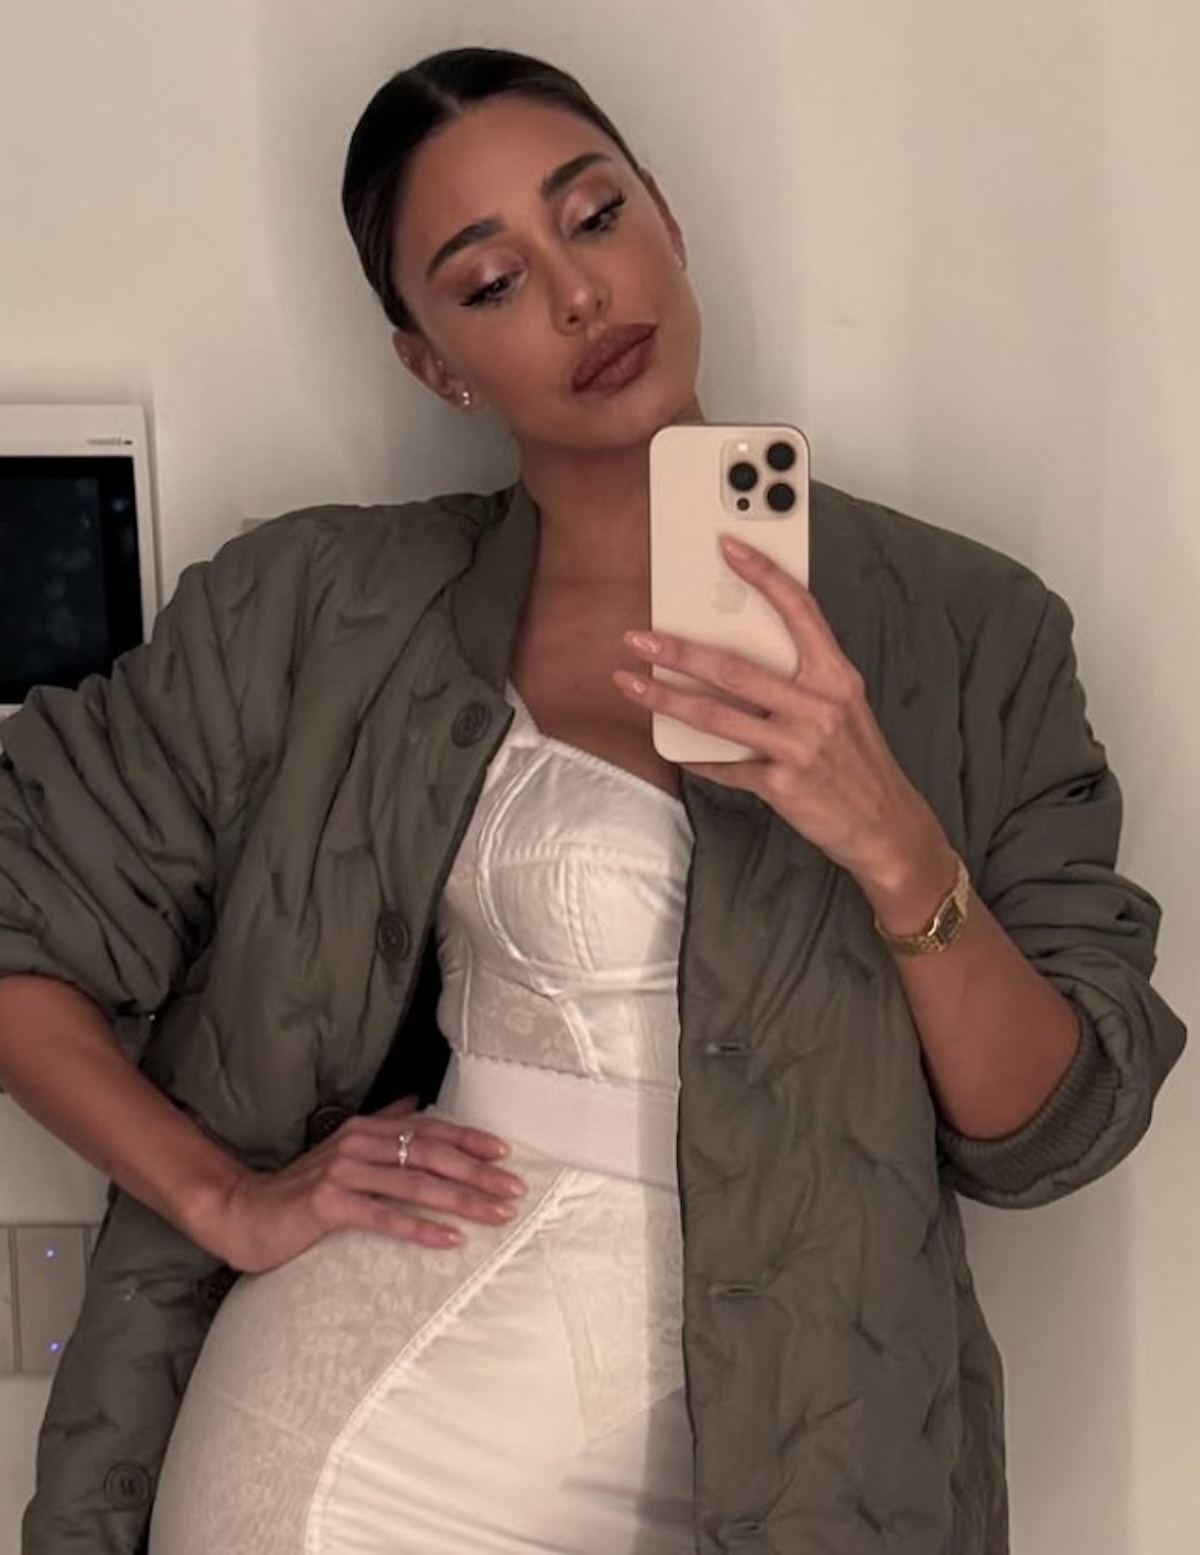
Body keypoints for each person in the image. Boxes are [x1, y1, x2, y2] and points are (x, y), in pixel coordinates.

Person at [0, 43, 1185, 1555]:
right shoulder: (316, 606)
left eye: (596, 215)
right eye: (491, 282)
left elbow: (1053, 1132)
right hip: (380, 1446)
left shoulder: (972, 627)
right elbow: (20, 916)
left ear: (668, 219)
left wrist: (893, 842)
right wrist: (225, 1200)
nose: (577, 295)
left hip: (812, 1456)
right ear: (434, 363)